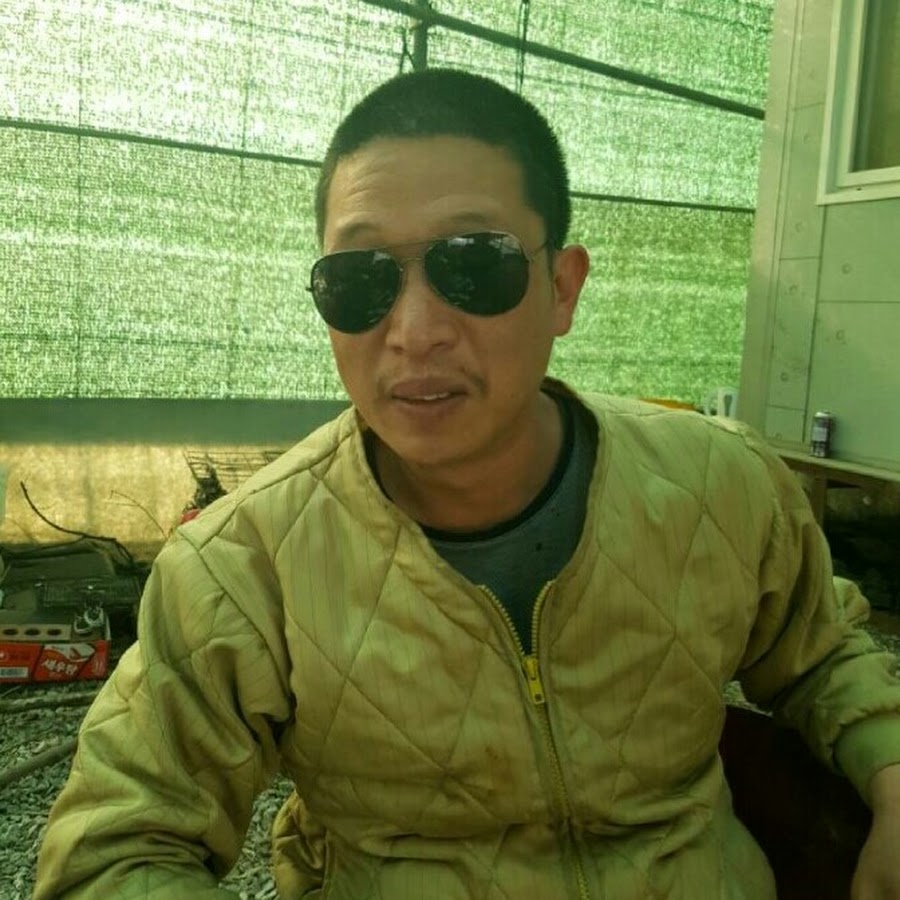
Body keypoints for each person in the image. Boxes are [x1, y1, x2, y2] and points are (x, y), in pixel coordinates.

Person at [34, 68, 900, 900]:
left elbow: (821, 653)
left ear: (562, 288)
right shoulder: (244, 567)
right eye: (360, 279)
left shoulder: (718, 483)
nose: (414, 331)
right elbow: (113, 851)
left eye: (474, 266)